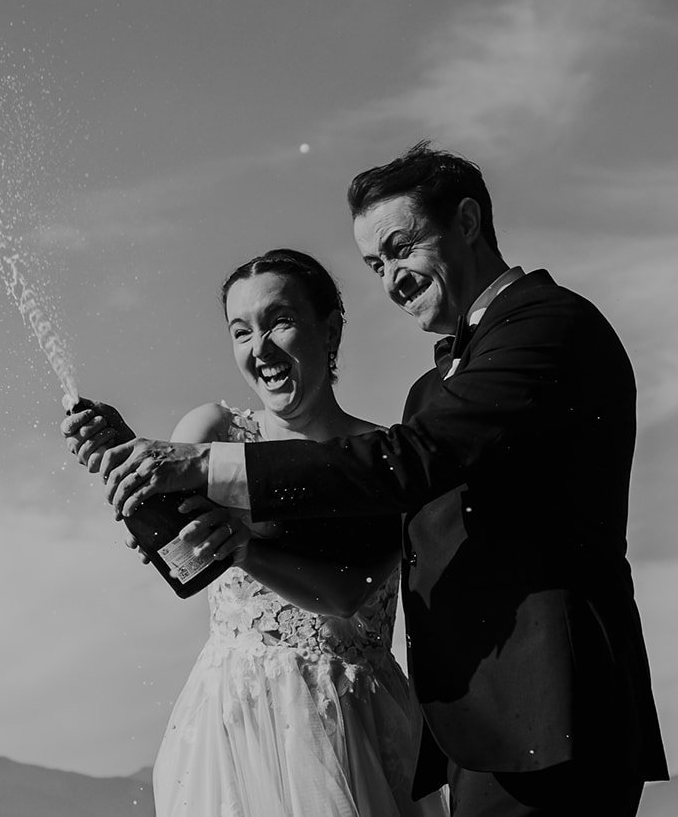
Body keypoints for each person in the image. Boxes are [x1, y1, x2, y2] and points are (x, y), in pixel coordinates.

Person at [79, 142, 667, 816]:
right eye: (375, 263)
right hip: (486, 727)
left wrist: (204, 467)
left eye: (400, 247)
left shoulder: (548, 328)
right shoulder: (432, 385)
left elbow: (406, 463)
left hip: (551, 711)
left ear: (468, 222)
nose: (391, 277)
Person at [65, 249, 445, 816]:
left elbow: (347, 594)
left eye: (279, 322)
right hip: (238, 718)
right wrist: (123, 451)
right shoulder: (212, 430)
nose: (259, 348)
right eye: (240, 332)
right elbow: (177, 540)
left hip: (354, 723)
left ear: (331, 328)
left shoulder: (384, 457)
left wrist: (245, 548)